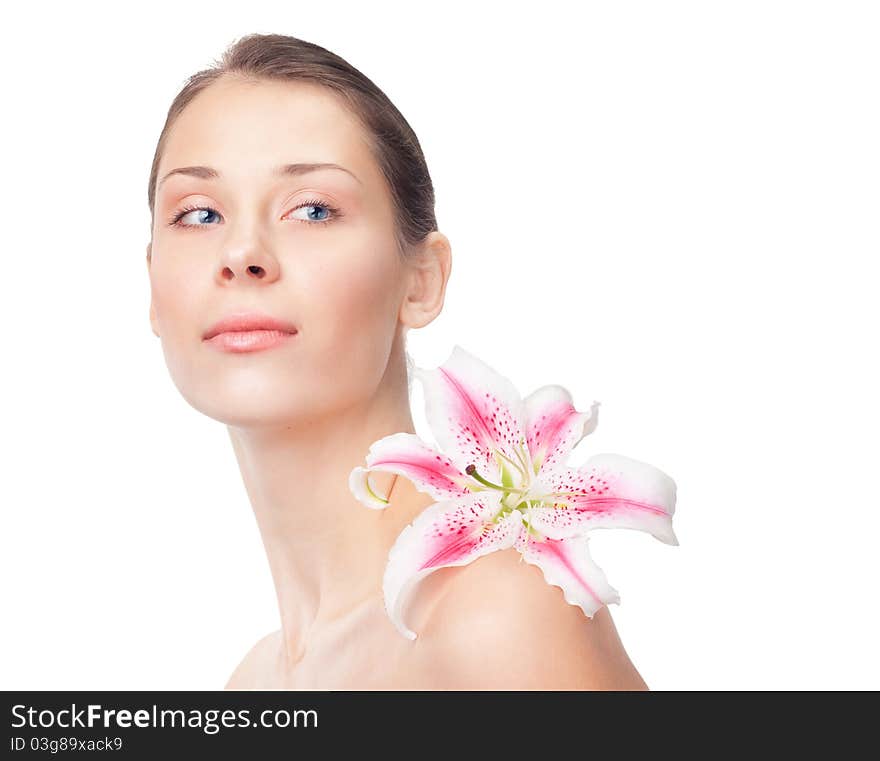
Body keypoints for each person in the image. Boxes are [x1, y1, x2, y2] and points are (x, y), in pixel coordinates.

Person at [145, 33, 648, 690]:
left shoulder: (497, 612)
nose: (242, 252)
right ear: (151, 283)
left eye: (313, 208)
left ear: (422, 280)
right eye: (199, 212)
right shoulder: (256, 683)